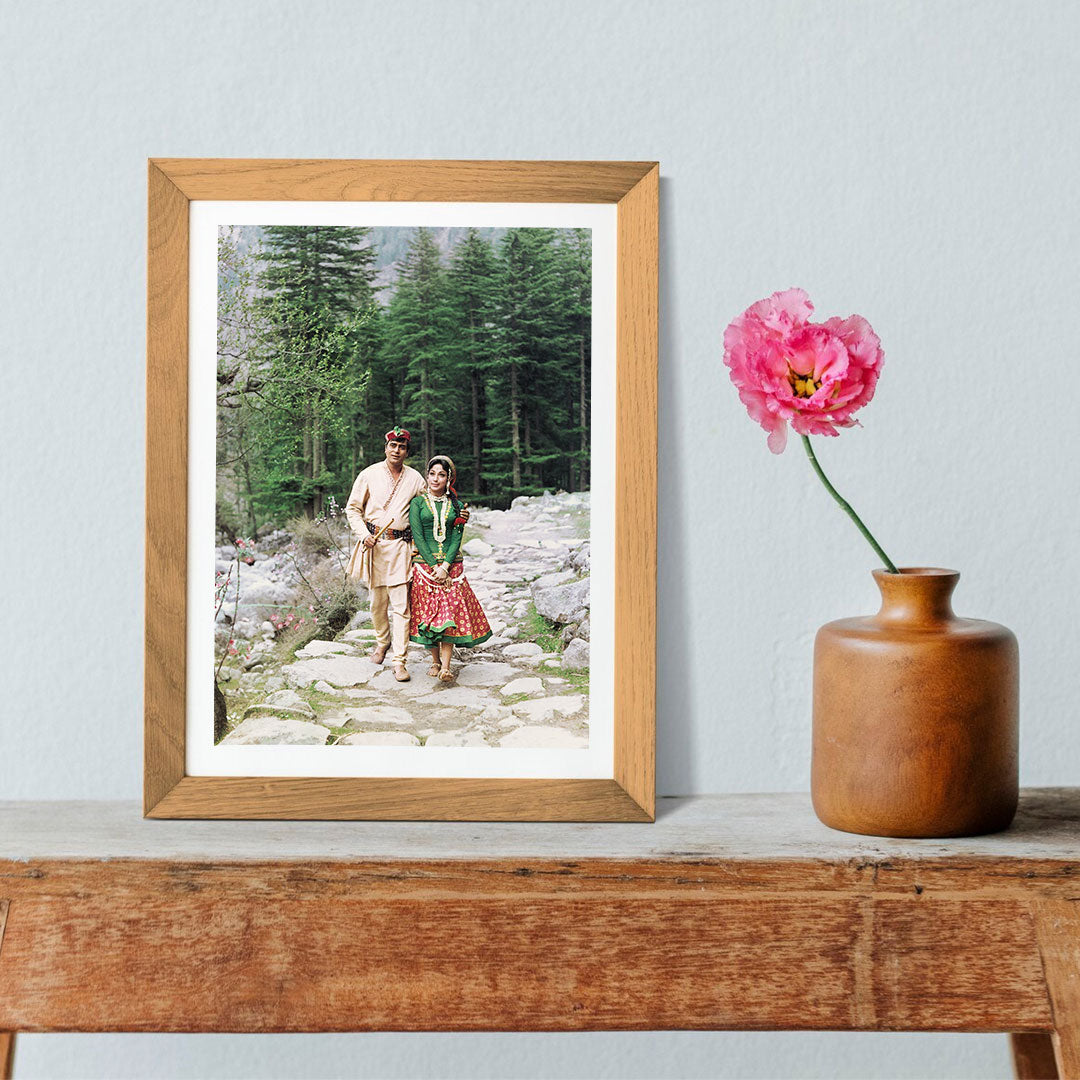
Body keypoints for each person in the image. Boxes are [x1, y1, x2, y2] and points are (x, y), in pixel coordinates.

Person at [344, 427, 425, 682]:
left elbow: (429, 507)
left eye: (402, 447)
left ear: (406, 451)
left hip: (401, 546)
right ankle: (382, 641)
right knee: (377, 604)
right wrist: (362, 534)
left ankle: (399, 660)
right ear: (386, 448)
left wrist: (456, 514)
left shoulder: (415, 479)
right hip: (374, 546)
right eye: (393, 446)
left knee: (401, 607)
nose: (397, 451)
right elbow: (353, 509)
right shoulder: (368, 474)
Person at [408, 455, 491, 682]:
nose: (436, 479)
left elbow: (456, 538)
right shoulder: (417, 504)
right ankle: (434, 661)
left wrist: (445, 566)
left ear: (448, 479)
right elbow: (418, 536)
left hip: (451, 568)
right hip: (425, 568)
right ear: (427, 476)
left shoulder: (457, 506)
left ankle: (445, 667)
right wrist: (434, 566)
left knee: (449, 614)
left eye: (441, 475)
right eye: (432, 474)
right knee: (430, 616)